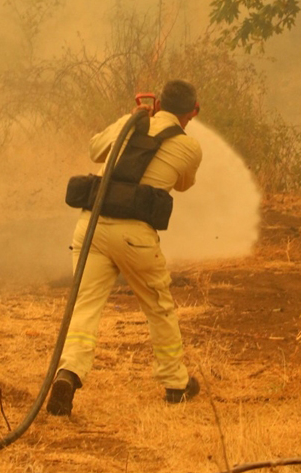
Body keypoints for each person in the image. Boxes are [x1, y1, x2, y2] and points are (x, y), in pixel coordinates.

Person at [47, 79, 203, 417]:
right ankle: (176, 385)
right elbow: (183, 184)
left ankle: (68, 373)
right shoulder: (189, 147)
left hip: (92, 226)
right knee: (158, 306)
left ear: (157, 103)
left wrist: (130, 119)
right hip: (135, 236)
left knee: (84, 304)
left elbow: (95, 150)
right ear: (194, 111)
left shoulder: (129, 123)